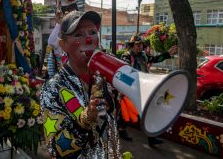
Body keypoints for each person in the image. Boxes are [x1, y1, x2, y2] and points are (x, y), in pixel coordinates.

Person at [41, 11, 121, 158]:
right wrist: (86, 119)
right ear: (63, 45)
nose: (89, 39)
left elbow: (111, 123)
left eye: (92, 32)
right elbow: (55, 148)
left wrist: (113, 102)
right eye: (79, 35)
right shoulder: (53, 88)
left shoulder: (104, 79)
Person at [119, 34, 178, 146]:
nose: (140, 47)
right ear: (131, 46)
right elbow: (125, 71)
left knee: (147, 112)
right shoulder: (126, 56)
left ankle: (151, 138)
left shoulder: (144, 56)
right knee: (127, 113)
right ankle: (121, 129)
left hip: (144, 88)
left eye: (141, 44)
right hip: (131, 89)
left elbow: (155, 59)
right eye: (137, 45)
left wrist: (168, 53)